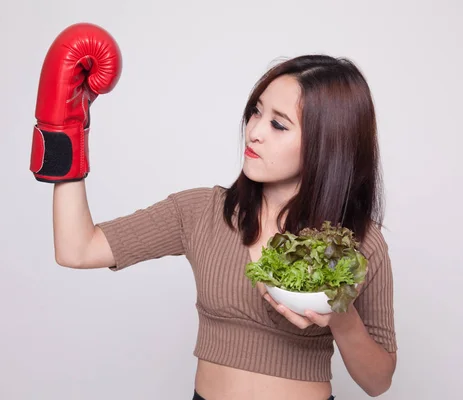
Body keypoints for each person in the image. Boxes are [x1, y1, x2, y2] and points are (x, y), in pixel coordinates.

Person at [30, 23, 397, 400]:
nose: (254, 131)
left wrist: (341, 317)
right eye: (256, 112)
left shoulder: (360, 242)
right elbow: (77, 249)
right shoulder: (201, 212)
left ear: (327, 145)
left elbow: (378, 381)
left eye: (277, 124)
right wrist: (65, 132)